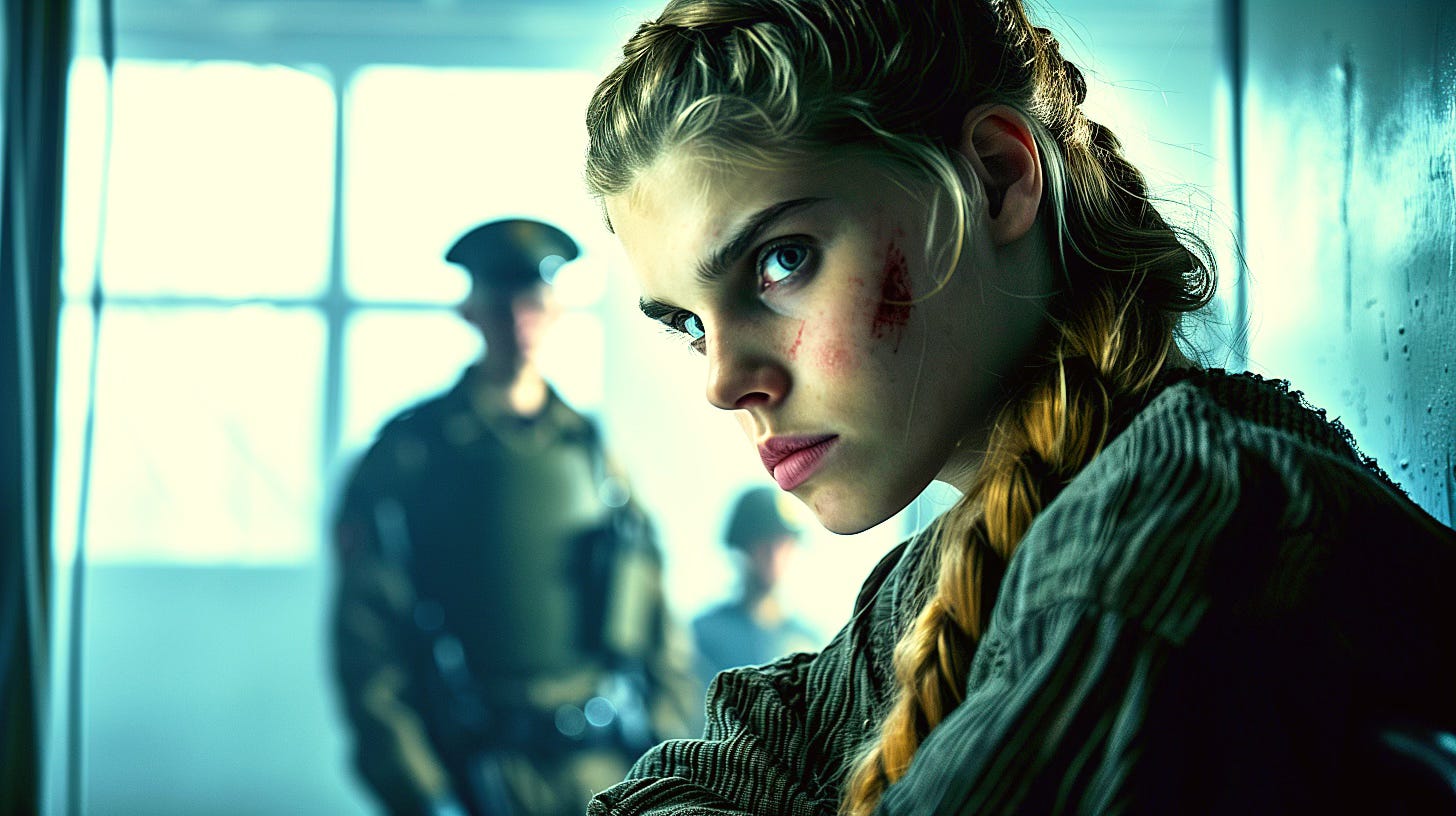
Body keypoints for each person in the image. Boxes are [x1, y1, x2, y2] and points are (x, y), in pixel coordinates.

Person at [581, 1, 1456, 814]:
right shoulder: (956, 561)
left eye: (782, 261)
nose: (724, 381)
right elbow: (722, 764)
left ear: (997, 178)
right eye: (688, 324)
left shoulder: (1179, 524)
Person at [329, 218, 696, 816]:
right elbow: (368, 643)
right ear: (471, 311)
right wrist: (419, 790)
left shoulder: (591, 451)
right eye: (501, 299)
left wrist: (667, 756)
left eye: (533, 298)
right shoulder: (411, 453)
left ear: (553, 310)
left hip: (598, 767)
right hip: (469, 768)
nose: (518, 315)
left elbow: (652, 614)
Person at [691, 486, 821, 687]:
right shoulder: (702, 636)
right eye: (764, 545)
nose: (774, 556)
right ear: (741, 547)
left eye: (782, 544)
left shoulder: (808, 643)